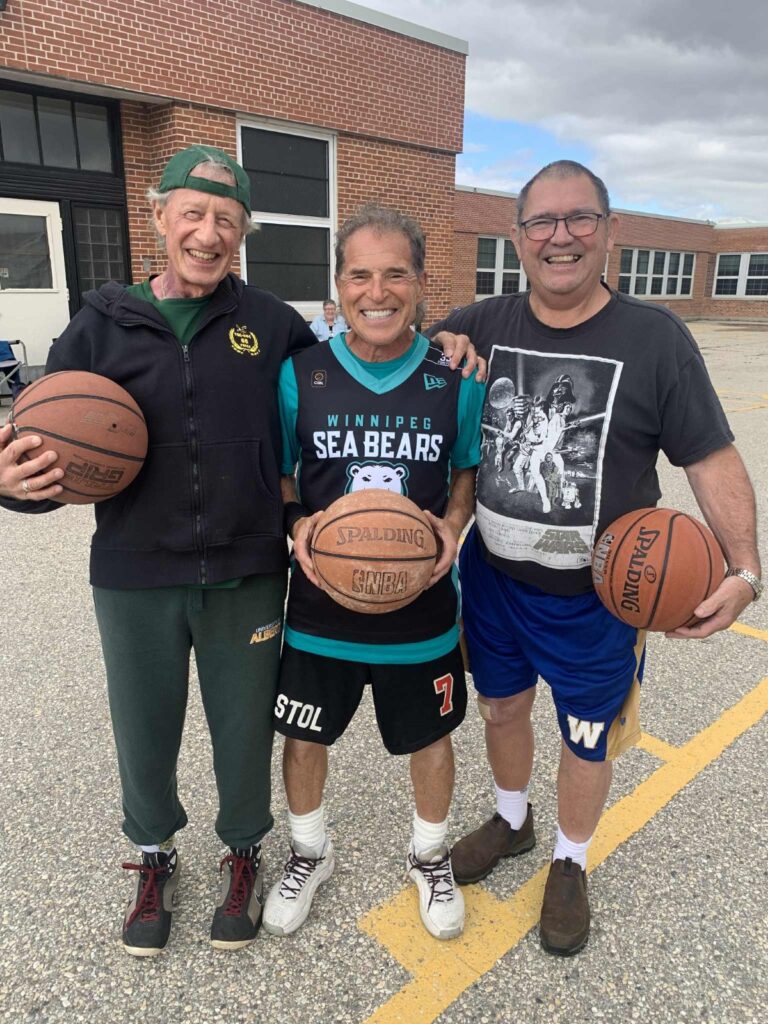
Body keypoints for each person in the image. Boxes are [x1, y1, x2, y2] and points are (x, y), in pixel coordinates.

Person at [0, 147, 481, 958]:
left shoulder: (271, 325)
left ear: (242, 234)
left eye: (226, 219)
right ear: (157, 218)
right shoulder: (96, 327)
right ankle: (154, 858)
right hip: (134, 569)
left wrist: (450, 343)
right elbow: (46, 445)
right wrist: (11, 481)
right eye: (192, 213)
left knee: (242, 730)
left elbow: (376, 347)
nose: (207, 231)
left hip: (248, 573)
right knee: (142, 727)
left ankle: (245, 854)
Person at [431, 160, 761, 957]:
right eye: (542, 222)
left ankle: (571, 862)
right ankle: (513, 821)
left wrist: (747, 570)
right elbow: (395, 354)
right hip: (495, 578)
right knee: (502, 708)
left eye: (580, 219)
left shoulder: (655, 339)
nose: (561, 237)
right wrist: (431, 340)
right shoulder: (482, 320)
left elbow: (709, 457)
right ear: (517, 238)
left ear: (610, 232)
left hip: (600, 599)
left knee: (588, 737)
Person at [262, 205, 485, 941]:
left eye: (396, 274)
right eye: (360, 274)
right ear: (338, 284)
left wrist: (453, 528)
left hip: (421, 609)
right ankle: (309, 852)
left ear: (422, 284)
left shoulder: (456, 376)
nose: (377, 290)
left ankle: (428, 858)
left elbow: (464, 474)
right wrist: (298, 528)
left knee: (430, 737)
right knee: (305, 738)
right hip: (322, 608)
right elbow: (286, 478)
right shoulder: (301, 376)